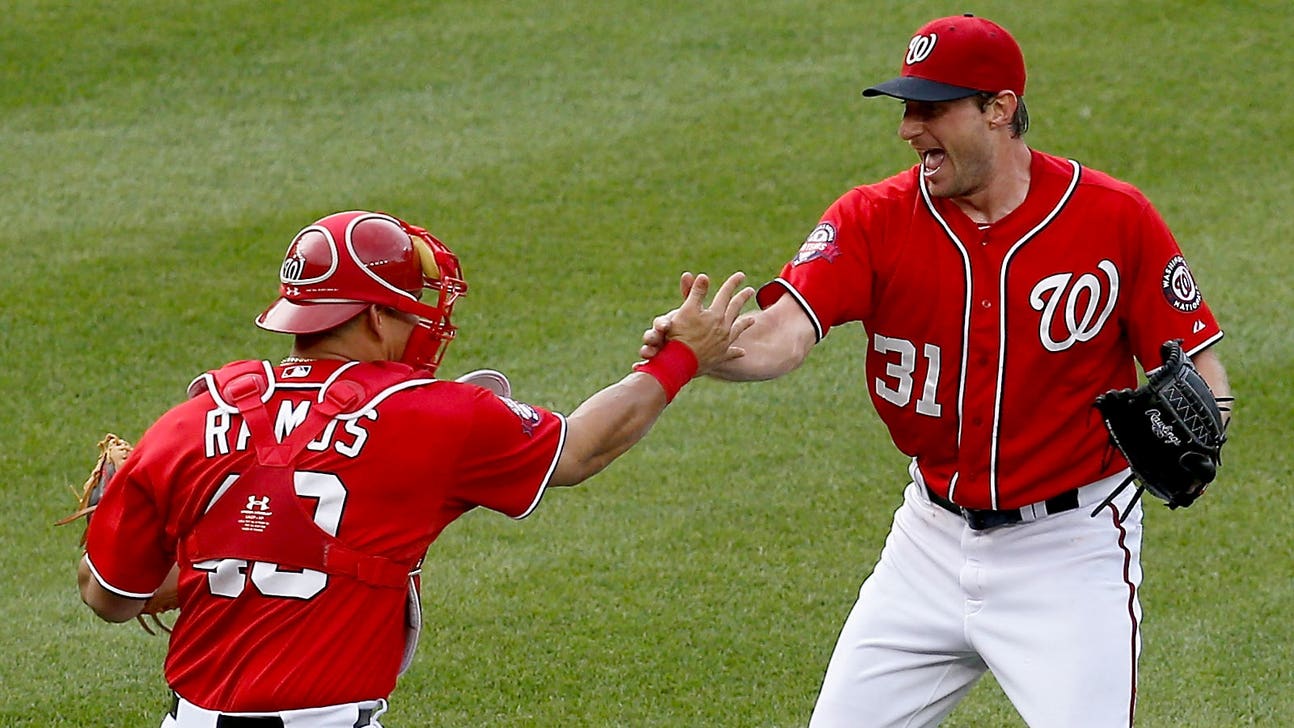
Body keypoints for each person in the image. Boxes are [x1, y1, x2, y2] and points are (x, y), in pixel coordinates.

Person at [642, 14, 1231, 727]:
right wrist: (710, 350)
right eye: (905, 108)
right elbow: (784, 335)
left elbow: (1199, 362)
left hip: (1069, 554)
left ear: (999, 109)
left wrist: (1209, 424)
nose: (908, 129)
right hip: (927, 543)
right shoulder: (871, 218)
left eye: (931, 109)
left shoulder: (1115, 218)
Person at [77, 209, 754, 727]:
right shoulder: (431, 417)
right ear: (372, 318)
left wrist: (200, 561)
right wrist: (678, 358)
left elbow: (108, 597)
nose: (427, 324)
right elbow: (583, 449)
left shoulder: (192, 420)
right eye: (411, 310)